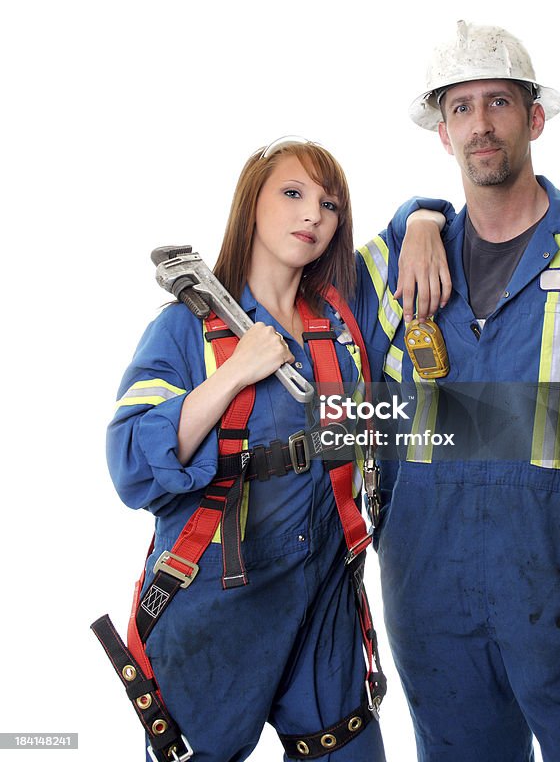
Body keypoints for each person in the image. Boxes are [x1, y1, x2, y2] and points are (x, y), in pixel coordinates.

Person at [356, 23, 560, 762]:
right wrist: (416, 214)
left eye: (498, 102)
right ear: (442, 134)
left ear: (532, 119)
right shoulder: (399, 262)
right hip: (428, 590)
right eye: (461, 107)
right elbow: (309, 304)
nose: (480, 124)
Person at [102, 137, 447, 762]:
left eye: (329, 203)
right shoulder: (184, 328)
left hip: (325, 598)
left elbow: (405, 232)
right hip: (216, 607)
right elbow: (130, 462)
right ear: (250, 206)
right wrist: (235, 372)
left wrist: (425, 217)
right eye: (292, 194)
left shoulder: (343, 321)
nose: (313, 214)